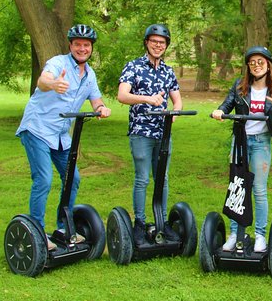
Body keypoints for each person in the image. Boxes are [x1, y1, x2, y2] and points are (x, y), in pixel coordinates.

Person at [16, 24, 112, 251]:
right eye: (77, 44)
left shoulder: (89, 75)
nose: (82, 48)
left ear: (91, 48)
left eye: (86, 45)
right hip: (37, 128)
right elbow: (43, 80)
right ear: (70, 45)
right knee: (44, 179)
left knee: (73, 178)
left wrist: (101, 108)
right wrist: (53, 84)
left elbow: (96, 99)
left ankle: (62, 226)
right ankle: (37, 232)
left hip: (60, 135)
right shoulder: (57, 63)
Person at [211, 46, 272, 253]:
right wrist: (219, 111)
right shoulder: (240, 87)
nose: (256, 66)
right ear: (248, 67)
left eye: (261, 62)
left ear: (268, 65)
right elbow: (226, 105)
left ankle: (260, 235)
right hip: (240, 141)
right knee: (237, 186)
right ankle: (235, 233)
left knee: (259, 189)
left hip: (261, 142)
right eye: (252, 63)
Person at [117, 24, 183, 245]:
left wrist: (176, 112)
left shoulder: (168, 70)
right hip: (141, 131)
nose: (158, 45)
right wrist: (148, 99)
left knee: (162, 179)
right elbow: (122, 96)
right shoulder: (133, 66)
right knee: (142, 179)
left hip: (163, 132)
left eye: (162, 42)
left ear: (166, 46)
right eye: (154, 41)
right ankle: (139, 223)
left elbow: (177, 98)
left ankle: (161, 223)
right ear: (146, 42)